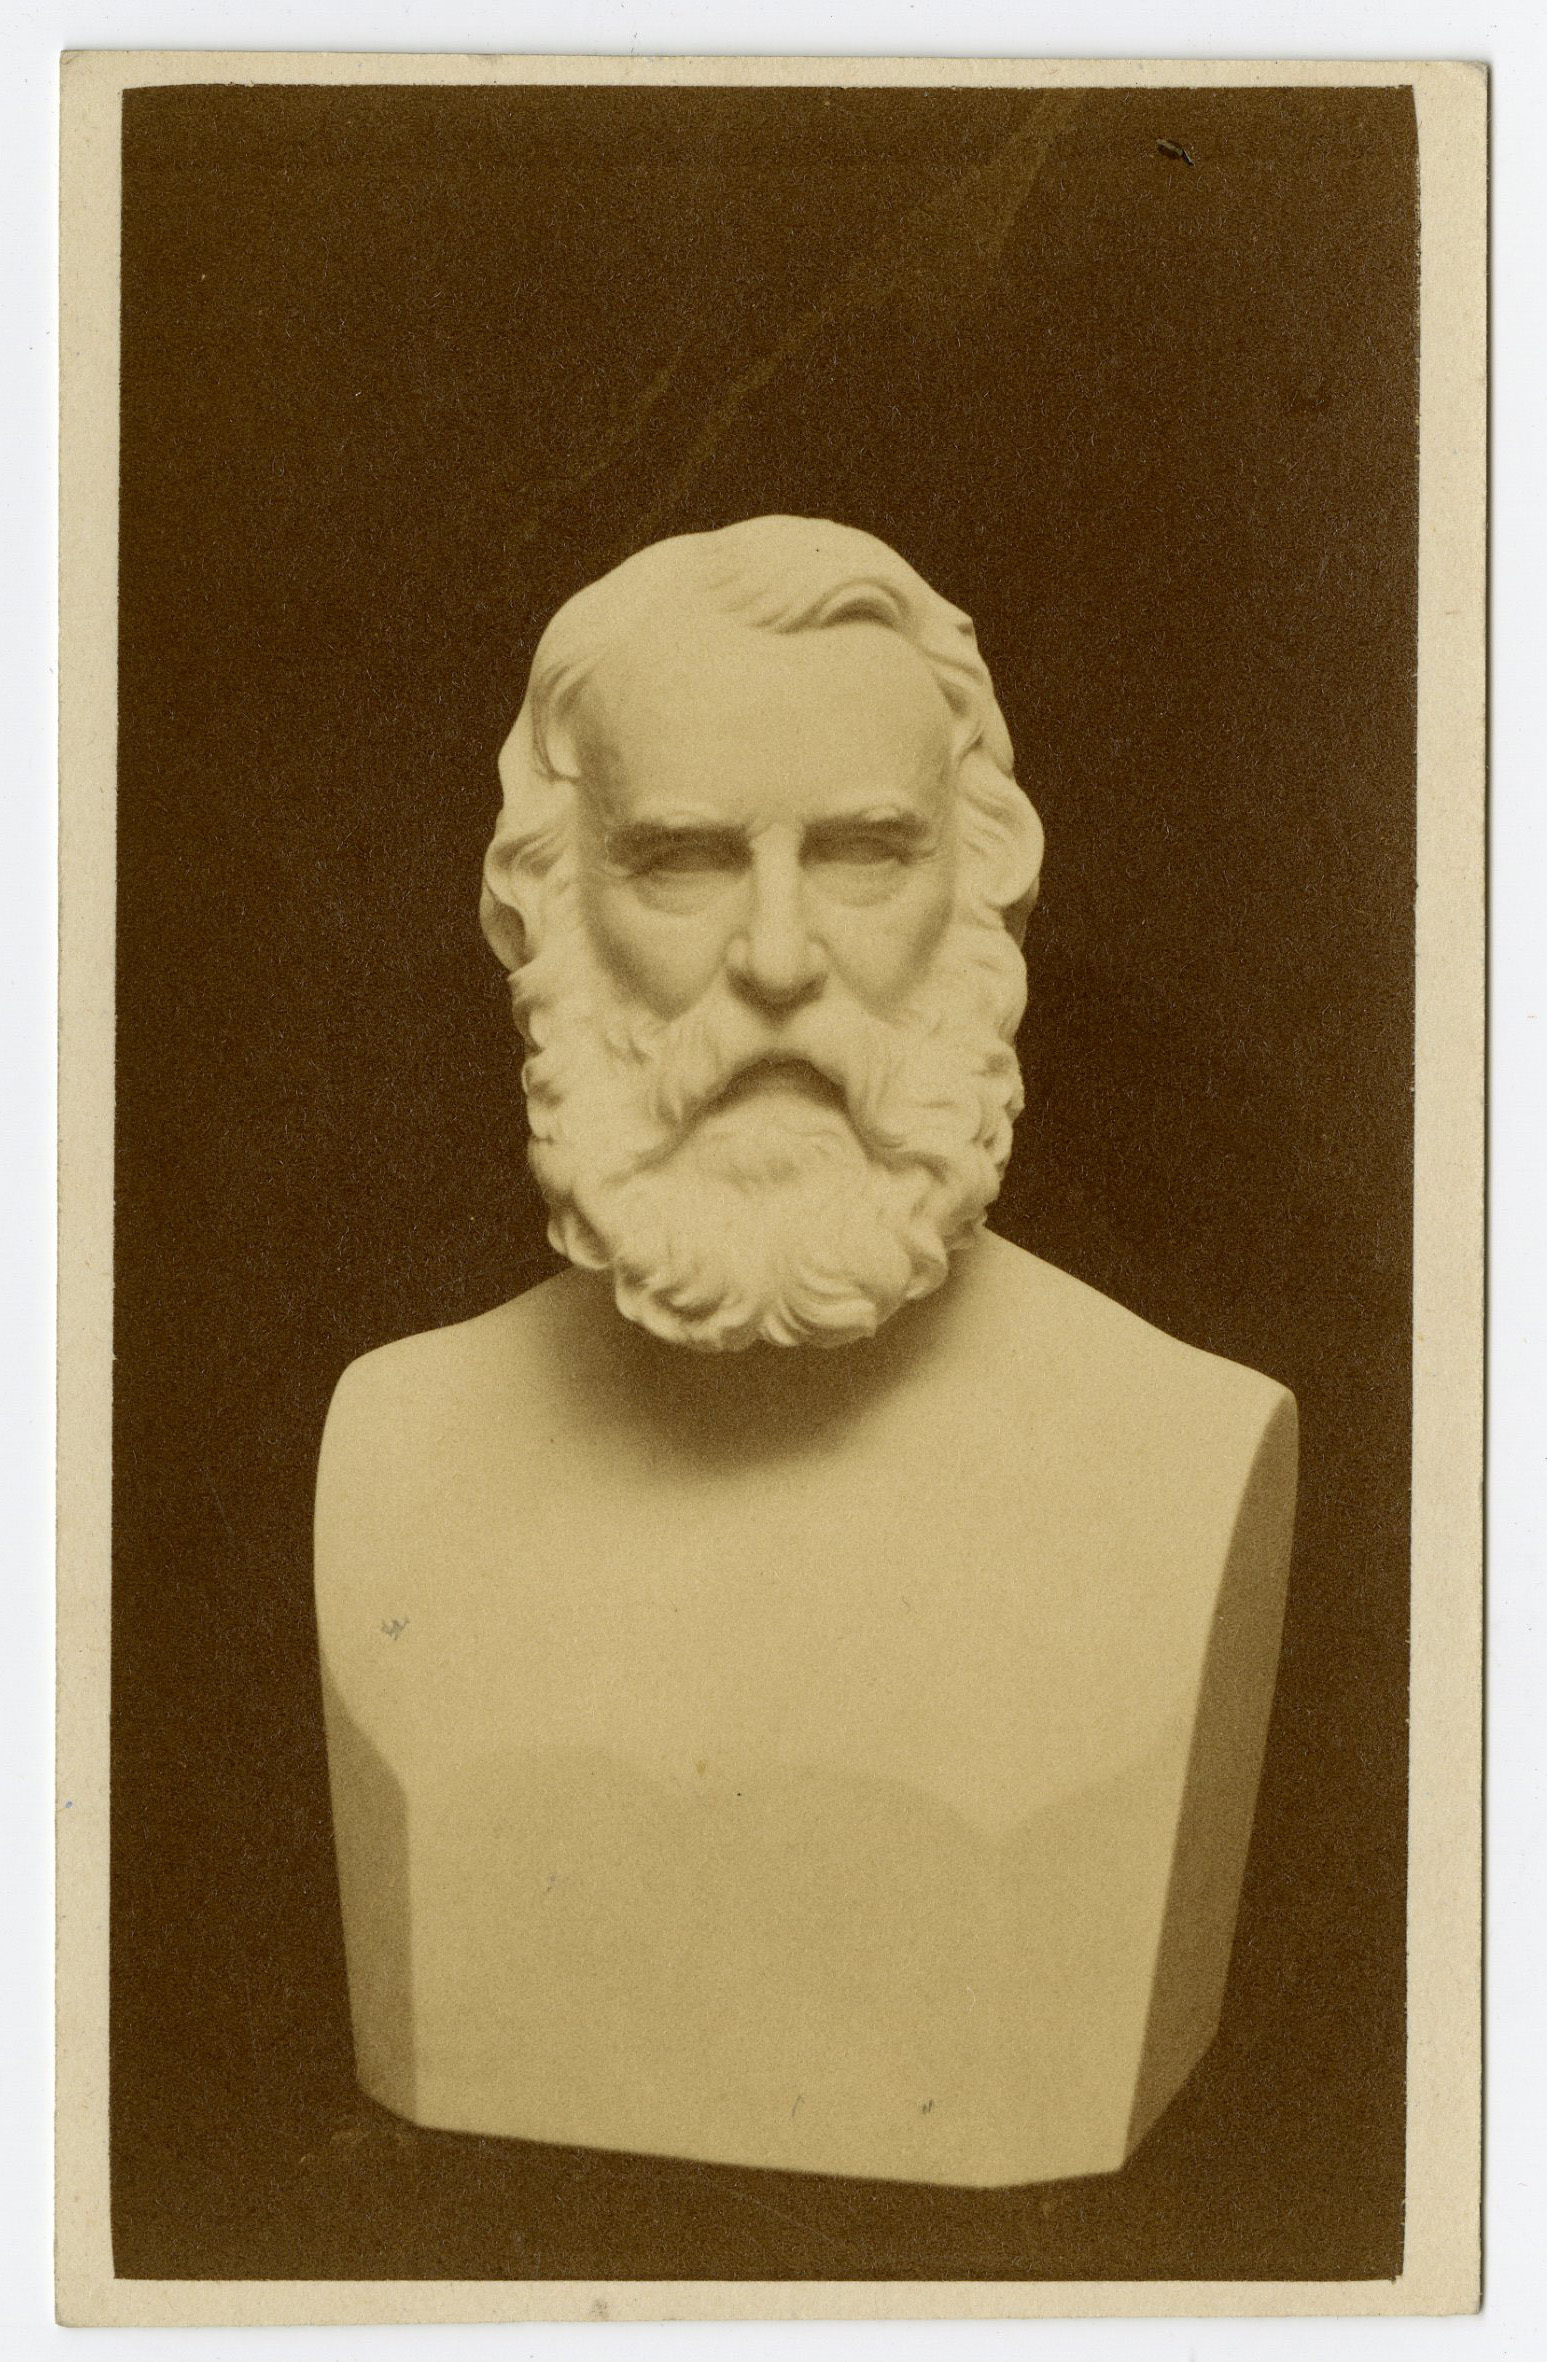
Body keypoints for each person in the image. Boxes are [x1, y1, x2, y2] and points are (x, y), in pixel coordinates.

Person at [315, 518, 1296, 2187]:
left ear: (980, 893)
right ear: (543, 909)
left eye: (863, 853)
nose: (775, 960)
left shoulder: (1184, 1450)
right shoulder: (393, 1442)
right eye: (681, 861)